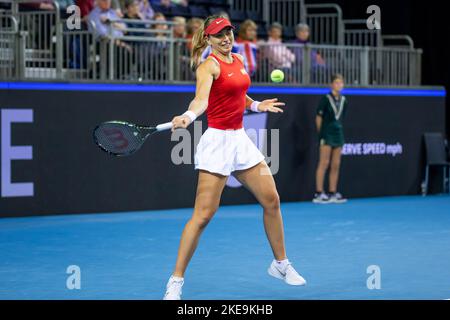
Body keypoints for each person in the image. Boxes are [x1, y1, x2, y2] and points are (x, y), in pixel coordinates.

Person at [164, 15, 307, 300]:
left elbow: (237, 93)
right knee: (203, 215)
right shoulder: (208, 66)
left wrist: (255, 104)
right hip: (217, 141)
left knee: (271, 199)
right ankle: (176, 281)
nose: (226, 38)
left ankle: (280, 264)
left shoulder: (239, 59)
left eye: (228, 32)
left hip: (240, 139)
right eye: (219, 35)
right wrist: (189, 116)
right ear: (209, 39)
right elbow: (201, 100)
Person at [313, 74, 348, 204]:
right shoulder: (325, 99)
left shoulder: (344, 100)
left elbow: (341, 117)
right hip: (326, 134)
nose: (339, 85)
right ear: (332, 84)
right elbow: (318, 117)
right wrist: (321, 134)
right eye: (336, 83)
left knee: (336, 164)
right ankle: (319, 193)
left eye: (341, 83)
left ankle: (332, 192)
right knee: (324, 163)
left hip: (338, 134)